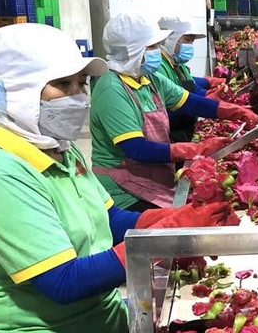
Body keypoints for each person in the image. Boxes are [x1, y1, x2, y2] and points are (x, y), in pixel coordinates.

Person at [0, 23, 235, 333]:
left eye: (81, 83)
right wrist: (156, 242)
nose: (79, 97)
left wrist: (168, 219)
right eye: (61, 86)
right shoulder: (0, 173)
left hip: (101, 331)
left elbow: (110, 220)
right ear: (10, 94)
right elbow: (63, 283)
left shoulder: (59, 150)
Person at [90, 13, 236, 211]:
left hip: (151, 177)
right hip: (123, 189)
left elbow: (189, 102)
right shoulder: (112, 89)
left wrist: (235, 112)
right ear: (131, 51)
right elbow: (136, 149)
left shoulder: (149, 79)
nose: (157, 51)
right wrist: (194, 149)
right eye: (151, 47)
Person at [156, 16, 258, 142]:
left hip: (183, 130)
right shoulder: (159, 68)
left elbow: (194, 89)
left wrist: (211, 94)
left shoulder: (178, 64)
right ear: (169, 39)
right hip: (170, 134)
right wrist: (234, 111)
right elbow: (178, 104)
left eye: (192, 41)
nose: (190, 46)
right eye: (187, 40)